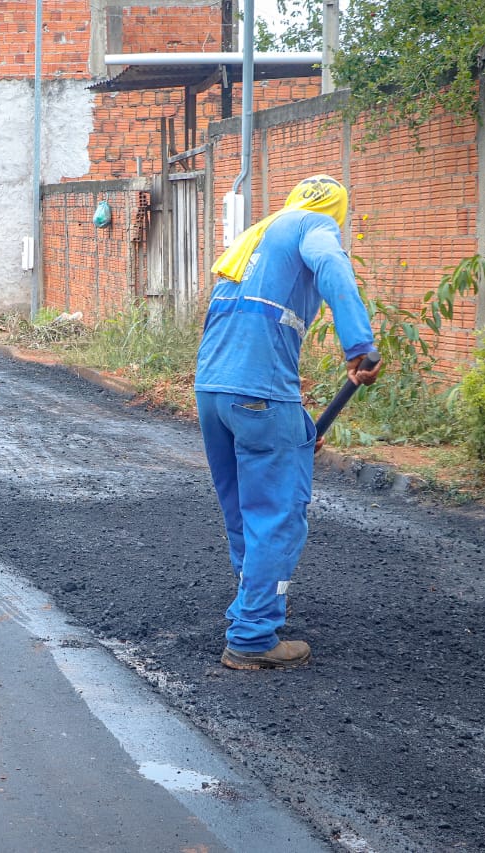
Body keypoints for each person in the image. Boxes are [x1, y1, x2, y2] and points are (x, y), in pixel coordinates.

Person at [195, 174, 384, 671]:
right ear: (335, 213)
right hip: (257, 393)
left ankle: (253, 605)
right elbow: (332, 267)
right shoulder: (313, 226)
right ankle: (254, 635)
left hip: (214, 391)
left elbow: (242, 340)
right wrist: (359, 345)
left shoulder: (255, 235)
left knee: (243, 508)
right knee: (278, 511)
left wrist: (295, 425)